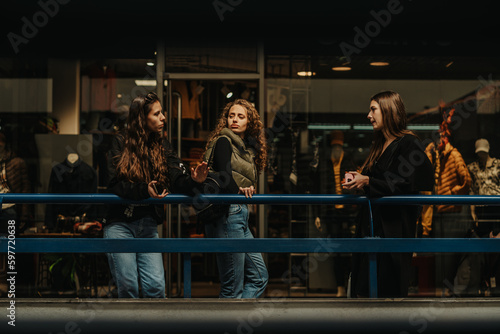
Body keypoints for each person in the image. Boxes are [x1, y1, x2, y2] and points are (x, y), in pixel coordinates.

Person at [105, 91, 208, 298]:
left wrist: (194, 181)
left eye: (162, 113)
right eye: (157, 113)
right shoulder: (120, 142)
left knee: (156, 288)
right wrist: (145, 190)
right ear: (142, 118)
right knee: (128, 287)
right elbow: (114, 184)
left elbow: (177, 179)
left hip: (148, 225)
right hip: (120, 224)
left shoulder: (162, 145)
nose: (163, 118)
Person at [343, 90, 434, 298]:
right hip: (372, 227)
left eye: (373, 109)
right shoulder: (379, 144)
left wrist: (368, 181)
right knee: (365, 288)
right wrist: (360, 181)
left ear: (388, 111)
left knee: (387, 289)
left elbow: (413, 181)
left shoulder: (408, 143)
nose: (368, 115)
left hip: (393, 230)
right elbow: (382, 182)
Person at [202, 99, 269, 298]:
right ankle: (229, 324)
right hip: (228, 214)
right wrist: (240, 190)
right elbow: (225, 177)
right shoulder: (224, 140)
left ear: (249, 122)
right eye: (231, 116)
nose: (235, 120)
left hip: (240, 216)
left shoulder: (245, 148)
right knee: (232, 287)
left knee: (259, 277)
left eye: (241, 116)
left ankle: (236, 317)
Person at [466, 138, 500, 296]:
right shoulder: (472, 167)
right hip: (482, 210)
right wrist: (472, 213)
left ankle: (494, 281)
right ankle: (485, 281)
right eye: (478, 151)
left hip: (496, 208)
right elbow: (472, 190)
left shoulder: (498, 165)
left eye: (483, 151)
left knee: (496, 244)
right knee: (483, 246)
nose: (481, 154)